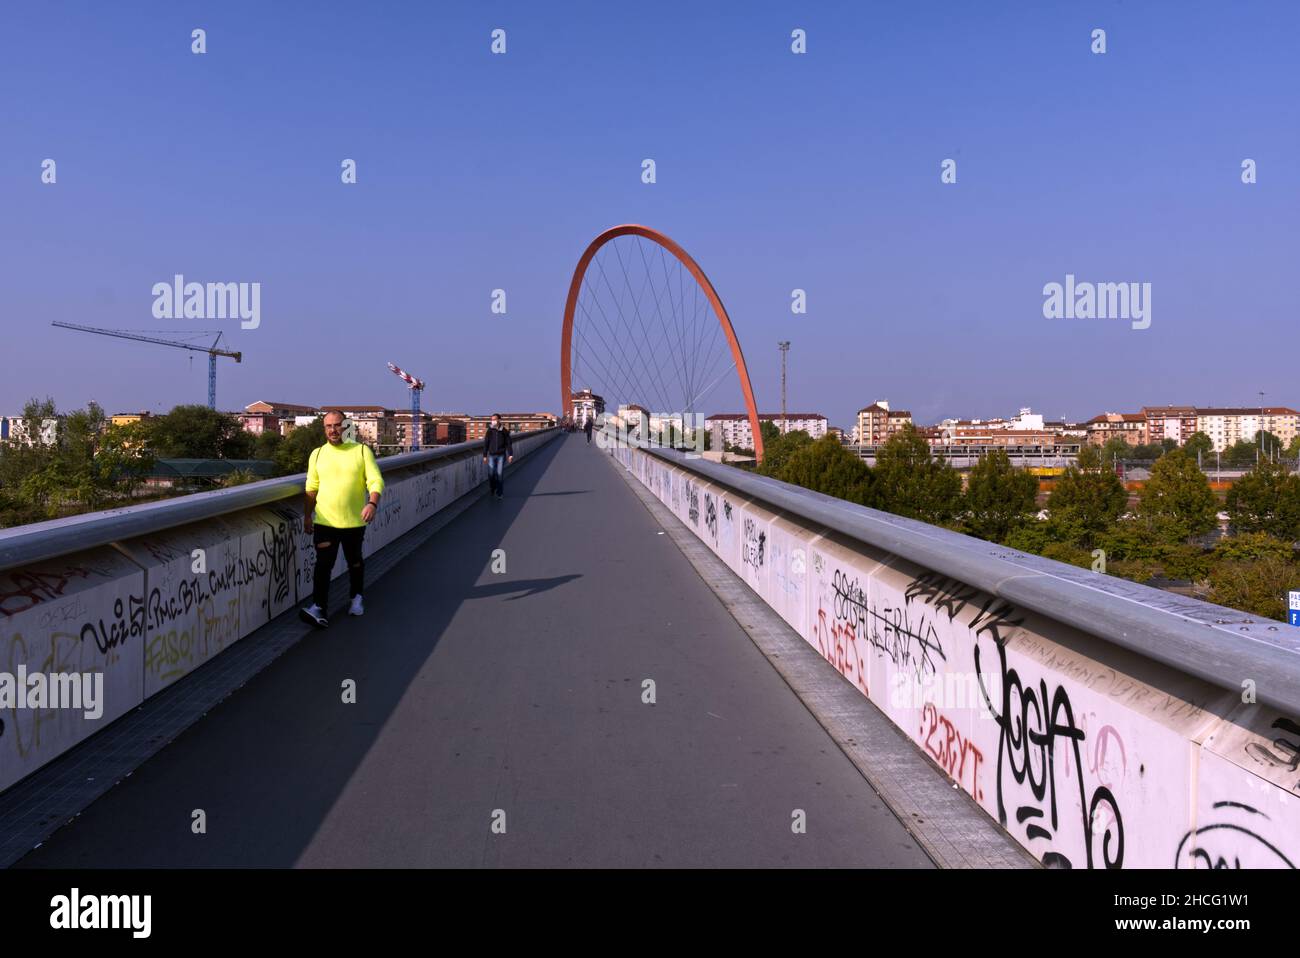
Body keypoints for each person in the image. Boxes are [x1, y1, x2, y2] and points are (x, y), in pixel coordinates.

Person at [299, 411, 384, 628]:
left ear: (346, 427)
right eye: (328, 426)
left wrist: (372, 503)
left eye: (337, 425)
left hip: (354, 522)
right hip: (325, 523)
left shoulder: (361, 451)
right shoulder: (317, 454)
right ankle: (319, 607)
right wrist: (307, 516)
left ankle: (356, 598)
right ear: (324, 428)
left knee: (354, 561)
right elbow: (311, 488)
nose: (333, 430)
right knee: (323, 565)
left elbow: (375, 481)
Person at [482, 414, 513, 499]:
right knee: (491, 474)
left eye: (494, 419)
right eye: (492, 419)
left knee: (499, 474)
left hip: (501, 456)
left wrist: (510, 454)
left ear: (499, 420)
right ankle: (493, 488)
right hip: (491, 455)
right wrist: (485, 455)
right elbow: (486, 443)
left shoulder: (504, 431)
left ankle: (500, 492)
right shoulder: (490, 431)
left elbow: (508, 443)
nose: (493, 421)